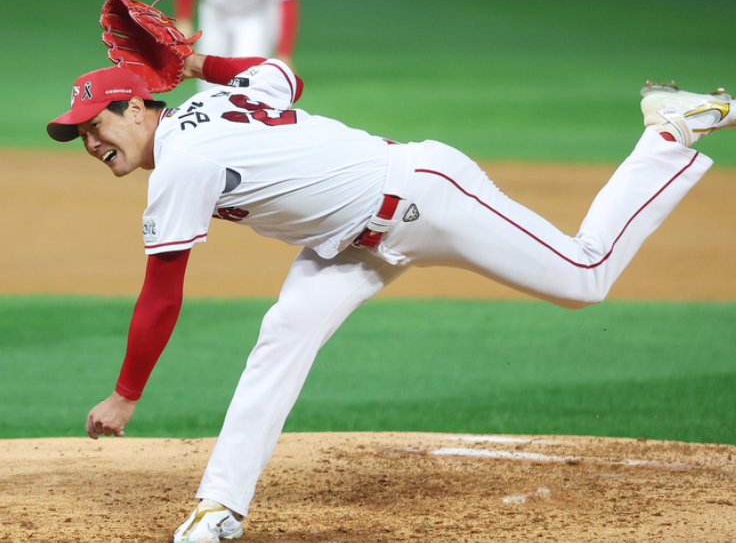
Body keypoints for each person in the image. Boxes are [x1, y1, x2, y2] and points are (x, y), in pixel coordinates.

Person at [46, 50, 735, 542]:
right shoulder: (210, 103)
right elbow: (281, 74)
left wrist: (126, 394)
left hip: (426, 197)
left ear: (136, 107)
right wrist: (198, 64)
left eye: (96, 124)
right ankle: (218, 508)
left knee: (585, 276)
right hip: (348, 244)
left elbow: (162, 293)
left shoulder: (182, 163)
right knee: (283, 334)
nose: (90, 142)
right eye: (80, 134)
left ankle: (669, 132)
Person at [174, 0, 307, 85]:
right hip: (215, 14)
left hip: (254, 18)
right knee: (207, 81)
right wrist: (184, 19)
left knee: (247, 80)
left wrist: (284, 54)